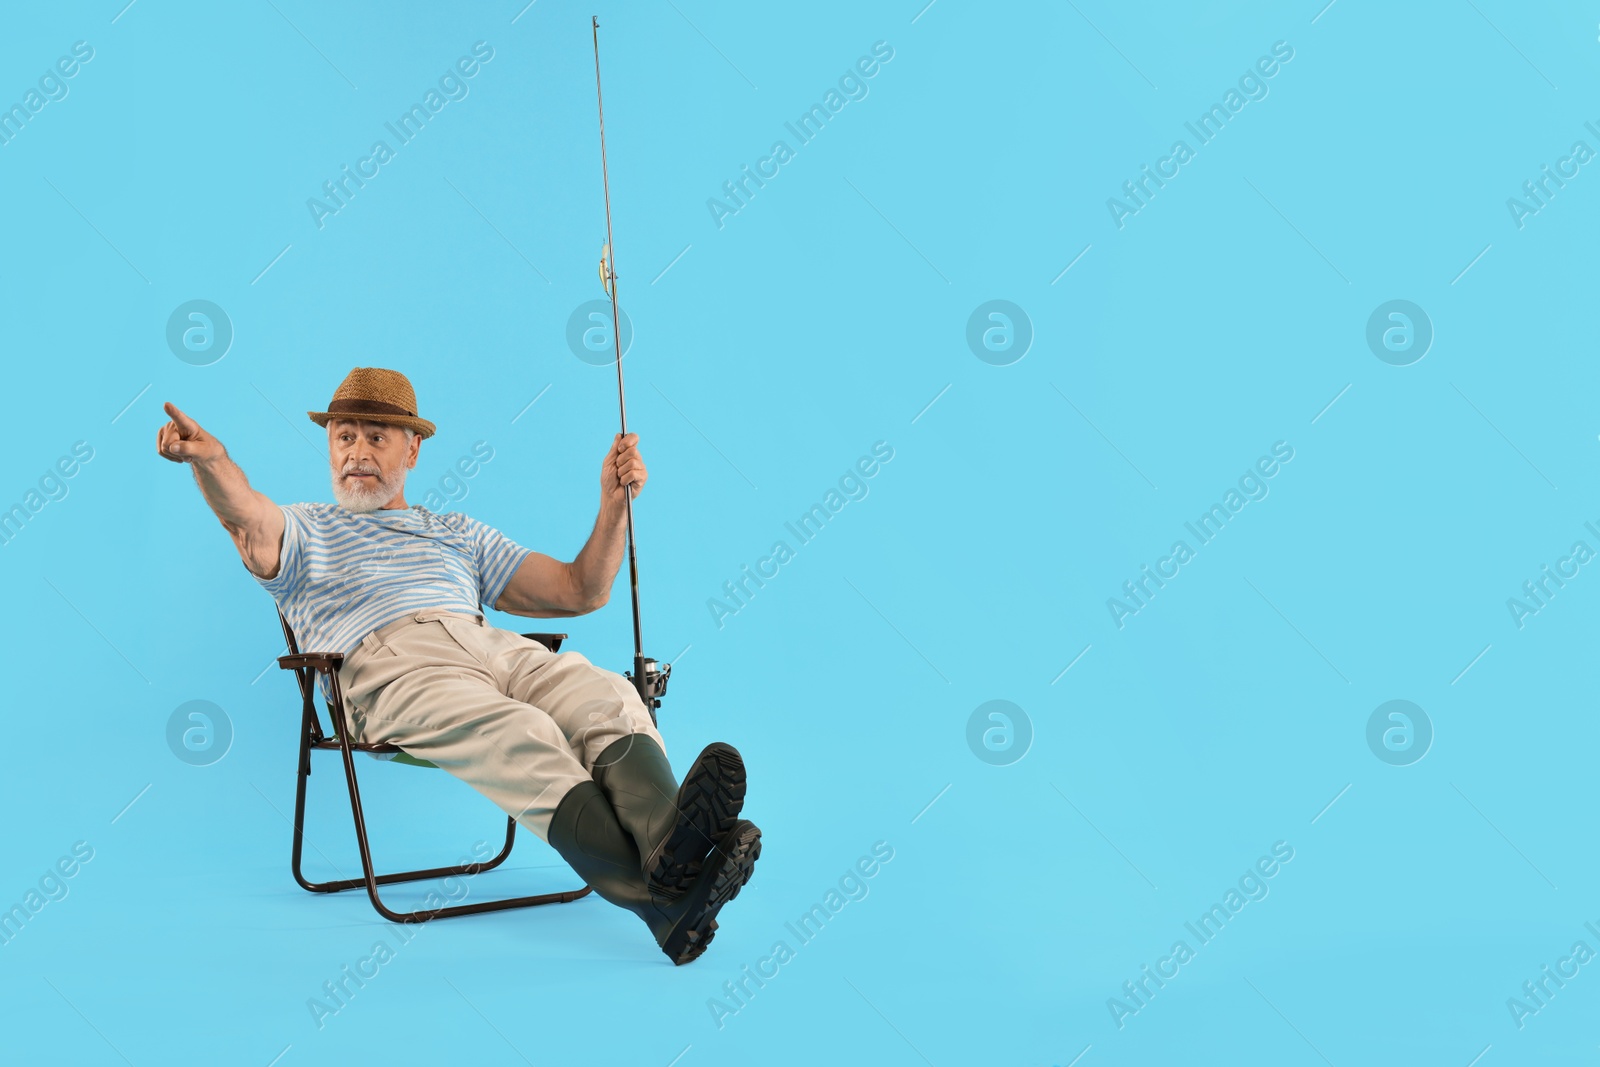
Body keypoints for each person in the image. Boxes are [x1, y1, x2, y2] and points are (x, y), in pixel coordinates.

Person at [156, 365, 759, 965]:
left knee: (605, 695)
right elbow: (246, 517)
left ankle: (667, 854)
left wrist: (613, 505)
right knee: (523, 732)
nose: (357, 453)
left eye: (376, 436)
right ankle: (659, 897)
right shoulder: (305, 528)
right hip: (391, 668)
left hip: (489, 647)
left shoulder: (456, 532)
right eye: (345, 436)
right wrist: (210, 460)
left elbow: (581, 589)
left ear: (412, 449)